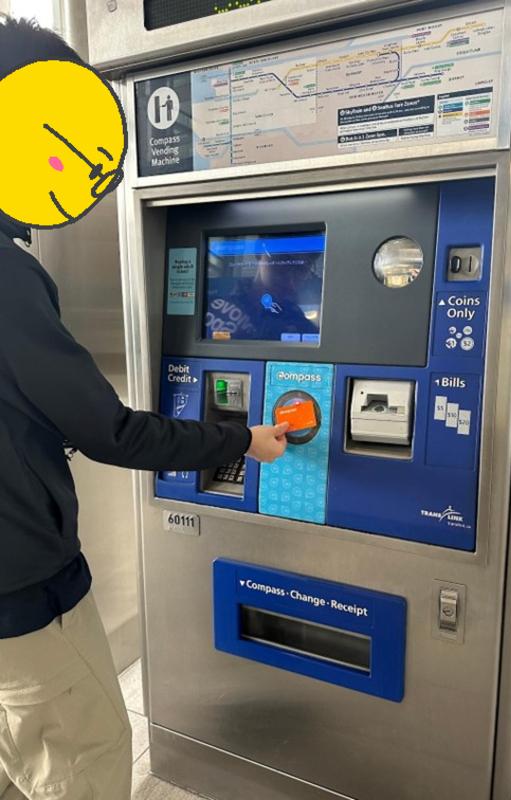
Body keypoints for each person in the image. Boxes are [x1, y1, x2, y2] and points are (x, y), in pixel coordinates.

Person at [0, 16, 288, 800]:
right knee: (86, 759)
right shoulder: (6, 276)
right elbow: (111, 432)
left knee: (23, 755)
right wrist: (241, 440)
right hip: (22, 592)